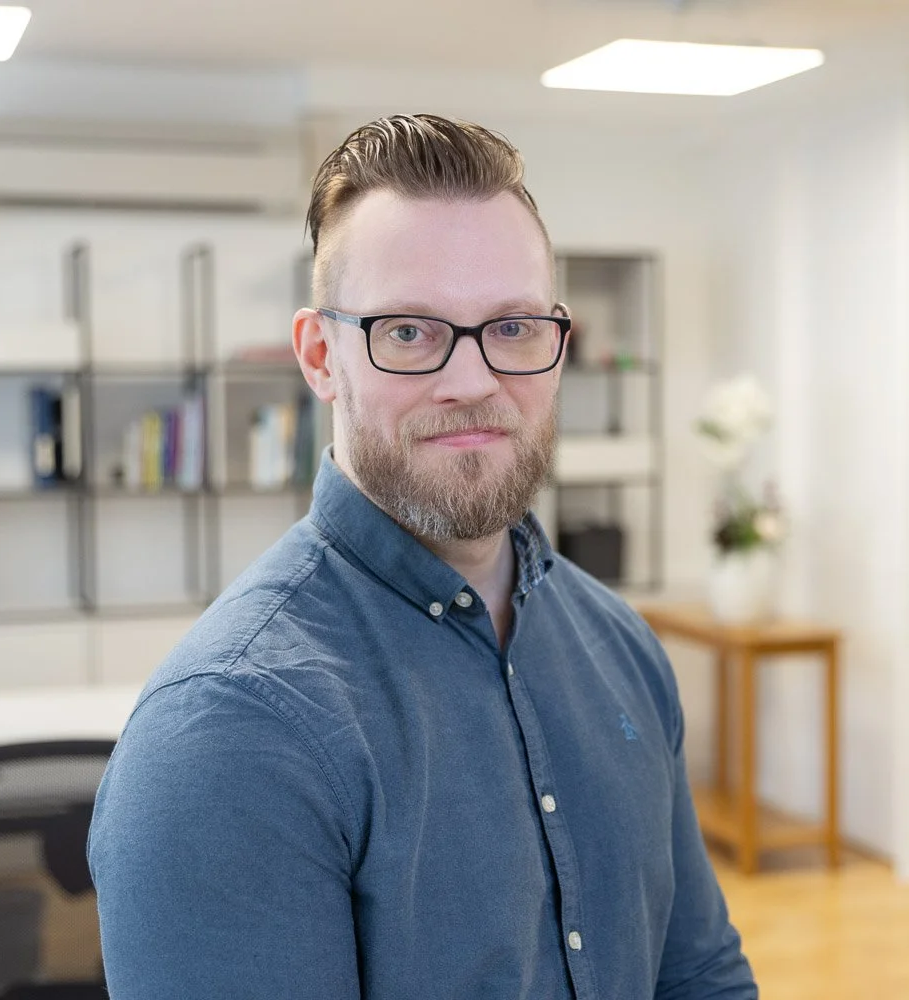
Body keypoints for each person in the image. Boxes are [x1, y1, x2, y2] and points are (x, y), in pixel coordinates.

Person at [88, 113, 758, 999]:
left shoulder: (620, 646)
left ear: (560, 343)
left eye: (513, 327)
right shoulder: (228, 735)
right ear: (321, 356)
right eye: (409, 331)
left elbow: (698, 975)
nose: (473, 381)